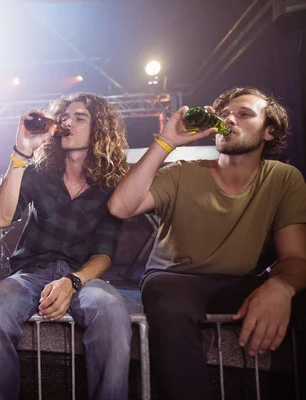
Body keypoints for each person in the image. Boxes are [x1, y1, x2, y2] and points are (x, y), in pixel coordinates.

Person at [107, 87, 306, 399]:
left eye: (244, 114)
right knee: (170, 300)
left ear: (269, 132)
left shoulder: (283, 178)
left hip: (242, 281)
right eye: (224, 113)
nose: (229, 119)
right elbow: (120, 207)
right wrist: (166, 142)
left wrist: (281, 287)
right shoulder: (182, 172)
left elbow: (295, 258)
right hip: (175, 278)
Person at [0, 93, 132, 400]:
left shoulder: (111, 186)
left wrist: (73, 282)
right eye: (64, 116)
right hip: (31, 272)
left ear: (99, 129)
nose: (67, 122)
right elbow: (0, 218)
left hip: (83, 276)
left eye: (79, 117)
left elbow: (104, 254)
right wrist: (21, 152)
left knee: (111, 308)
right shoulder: (39, 172)